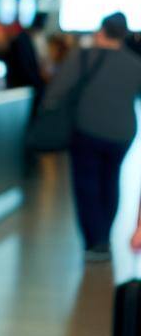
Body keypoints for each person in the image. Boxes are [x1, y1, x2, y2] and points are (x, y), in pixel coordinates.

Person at [38, 13, 141, 261]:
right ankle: (104, 234)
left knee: (86, 184)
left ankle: (95, 241)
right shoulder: (135, 63)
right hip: (123, 132)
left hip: (88, 130)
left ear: (101, 31)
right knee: (110, 179)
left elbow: (56, 90)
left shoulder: (82, 57)